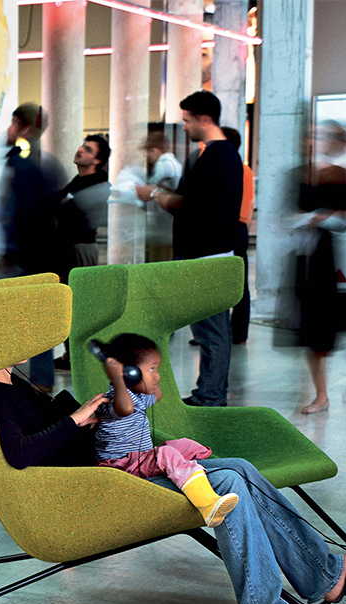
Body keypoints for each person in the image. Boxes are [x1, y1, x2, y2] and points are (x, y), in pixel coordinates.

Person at [0, 362, 346, 604]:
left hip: (115, 473)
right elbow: (19, 454)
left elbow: (50, 438)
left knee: (240, 468)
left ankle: (324, 576)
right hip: (99, 491)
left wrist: (93, 420)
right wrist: (75, 419)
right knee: (228, 482)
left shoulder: (16, 382)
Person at [136, 91, 244, 407]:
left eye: (187, 120)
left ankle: (210, 396)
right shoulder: (218, 154)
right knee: (212, 331)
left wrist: (155, 194)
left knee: (211, 333)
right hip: (207, 252)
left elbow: (191, 207)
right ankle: (211, 393)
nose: (184, 127)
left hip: (205, 256)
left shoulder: (218, 156)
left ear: (204, 119)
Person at [93, 333, 239, 527]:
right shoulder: (113, 399)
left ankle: (193, 471)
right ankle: (207, 503)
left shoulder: (138, 395)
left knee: (183, 444)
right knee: (167, 453)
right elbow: (125, 409)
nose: (157, 375)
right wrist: (119, 378)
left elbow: (158, 394)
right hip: (121, 467)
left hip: (139, 459)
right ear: (130, 373)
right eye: (151, 369)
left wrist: (149, 378)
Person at [292, 122, 346, 415]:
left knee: (320, 327)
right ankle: (320, 392)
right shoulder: (302, 174)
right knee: (310, 326)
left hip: (325, 256)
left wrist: (321, 218)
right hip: (305, 255)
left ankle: (322, 393)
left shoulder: (341, 175)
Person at [0, 103, 62, 391]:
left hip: (27, 254)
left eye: (13, 123)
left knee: (25, 317)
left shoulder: (23, 164)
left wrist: (9, 251)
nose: (8, 129)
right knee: (38, 317)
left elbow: (19, 214)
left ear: (23, 126)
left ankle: (22, 378)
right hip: (39, 253)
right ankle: (40, 377)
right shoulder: (46, 164)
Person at [52, 135, 111, 371]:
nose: (80, 150)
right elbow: (56, 203)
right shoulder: (79, 181)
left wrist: (61, 205)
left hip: (80, 248)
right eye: (81, 146)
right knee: (68, 303)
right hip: (69, 246)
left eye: (87, 149)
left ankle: (78, 357)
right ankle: (71, 355)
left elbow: (66, 211)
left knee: (77, 305)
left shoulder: (96, 185)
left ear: (97, 160)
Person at [222, 127, 255, 346]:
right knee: (239, 282)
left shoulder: (231, 168)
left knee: (223, 280)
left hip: (230, 226)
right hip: (241, 226)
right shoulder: (245, 169)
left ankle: (224, 332)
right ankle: (238, 333)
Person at [142, 133, 182, 263]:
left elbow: (150, 189)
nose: (148, 156)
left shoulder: (163, 164)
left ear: (155, 150)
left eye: (149, 152)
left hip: (162, 222)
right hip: (168, 223)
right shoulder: (174, 163)